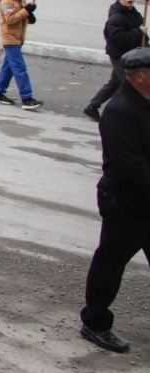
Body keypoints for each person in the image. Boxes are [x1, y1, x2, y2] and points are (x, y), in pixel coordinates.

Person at [79, 47, 150, 353]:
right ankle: (95, 323)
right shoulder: (119, 111)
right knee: (111, 263)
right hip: (126, 203)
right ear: (139, 77)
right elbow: (129, 166)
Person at [84, 0, 146, 121]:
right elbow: (119, 39)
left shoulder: (135, 15)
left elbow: (141, 35)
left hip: (131, 55)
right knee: (128, 85)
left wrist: (145, 41)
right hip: (119, 56)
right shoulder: (116, 18)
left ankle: (92, 106)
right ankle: (124, 114)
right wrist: (139, 32)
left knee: (115, 83)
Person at [0, 0, 43, 109]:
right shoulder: (6, 0)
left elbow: (21, 16)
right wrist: (26, 11)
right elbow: (10, 19)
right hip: (10, 38)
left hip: (18, 37)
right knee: (20, 68)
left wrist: (29, 16)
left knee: (8, 67)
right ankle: (27, 98)